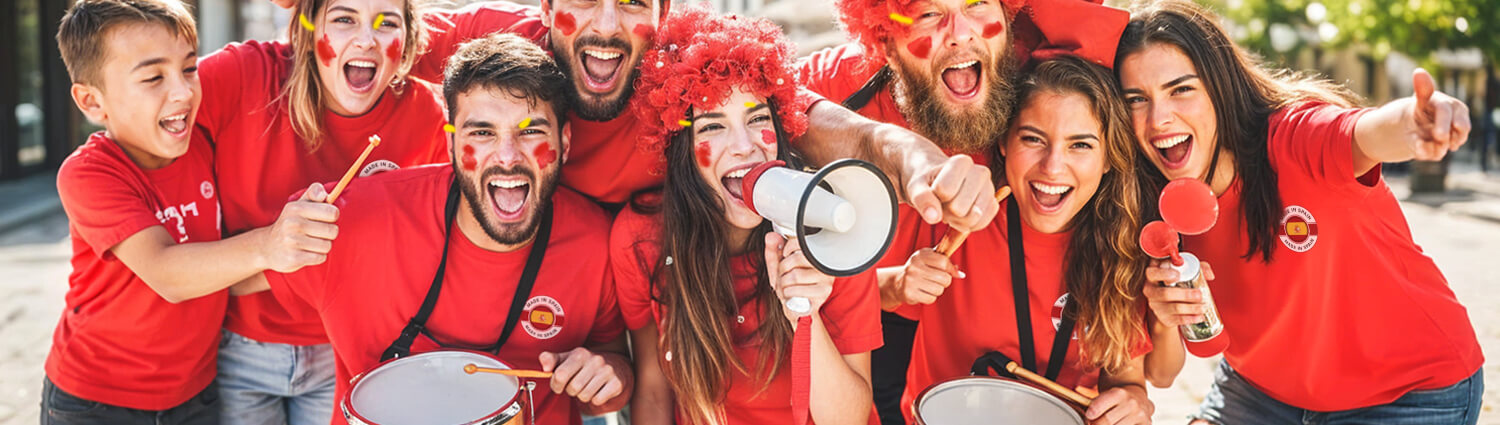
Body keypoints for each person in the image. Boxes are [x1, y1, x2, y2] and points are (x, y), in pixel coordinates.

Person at [233, 33, 633, 425]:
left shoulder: (595, 239)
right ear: (452, 143)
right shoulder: (362, 217)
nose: (508, 157)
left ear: (564, 140)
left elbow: (613, 376)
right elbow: (230, 284)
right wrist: (267, 245)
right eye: (482, 132)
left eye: (530, 131)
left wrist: (605, 375)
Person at [1116, 1, 1484, 423]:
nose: (1159, 118)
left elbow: (1364, 132)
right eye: (1136, 99)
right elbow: (1162, 375)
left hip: (1407, 392)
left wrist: (1414, 122)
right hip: (1261, 391)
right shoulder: (1146, 201)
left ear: (1220, 87)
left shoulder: (1294, 139)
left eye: (1181, 89)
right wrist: (1165, 319)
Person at [801, 0, 1128, 421]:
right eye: (928, 13)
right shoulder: (843, 78)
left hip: (973, 325)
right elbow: (770, 104)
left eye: (976, 4)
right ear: (884, 39)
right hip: (864, 314)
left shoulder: (1034, 59)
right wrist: (890, 147)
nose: (960, 32)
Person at [45, 1, 335, 423]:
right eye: (153, 77)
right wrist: (271, 244)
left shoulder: (206, 146)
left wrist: (309, 248)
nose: (183, 91)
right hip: (96, 400)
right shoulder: (89, 173)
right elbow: (168, 272)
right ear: (92, 101)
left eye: (189, 68)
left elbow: (232, 275)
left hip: (196, 393)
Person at [610, 6, 882, 424]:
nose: (745, 147)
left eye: (757, 119)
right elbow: (653, 389)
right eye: (713, 126)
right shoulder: (641, 238)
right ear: (682, 153)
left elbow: (847, 419)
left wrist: (804, 314)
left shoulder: (831, 226)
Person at [192, 0, 451, 421]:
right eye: (344, 19)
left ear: (408, 41)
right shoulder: (241, 75)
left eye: (387, 23)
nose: (366, 39)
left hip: (352, 352)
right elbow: (147, 112)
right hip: (236, 349)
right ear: (308, 30)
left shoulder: (429, 115)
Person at [885, 55, 1153, 425]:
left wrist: (1134, 401)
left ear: (1109, 157)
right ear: (1003, 143)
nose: (1053, 166)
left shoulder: (1122, 242)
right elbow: (855, 296)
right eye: (1033, 139)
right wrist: (900, 283)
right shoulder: (956, 202)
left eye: (1081, 145)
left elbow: (1126, 380)